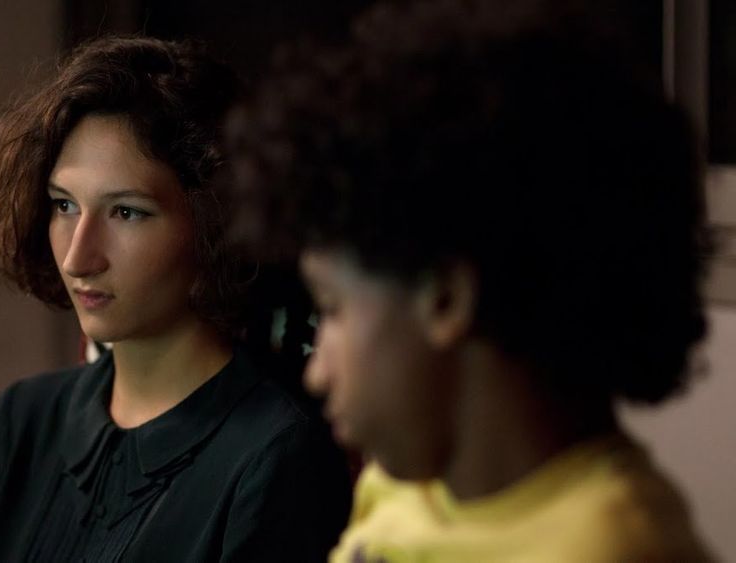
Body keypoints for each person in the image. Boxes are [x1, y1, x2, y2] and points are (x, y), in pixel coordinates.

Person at [227, 1, 715, 561]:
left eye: (333, 309)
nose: (316, 372)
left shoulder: (608, 548)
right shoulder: (405, 485)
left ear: (445, 298)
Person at [0, 36, 351, 562]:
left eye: (126, 212)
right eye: (64, 205)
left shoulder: (276, 454)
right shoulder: (22, 421)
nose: (78, 258)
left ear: (215, 223)